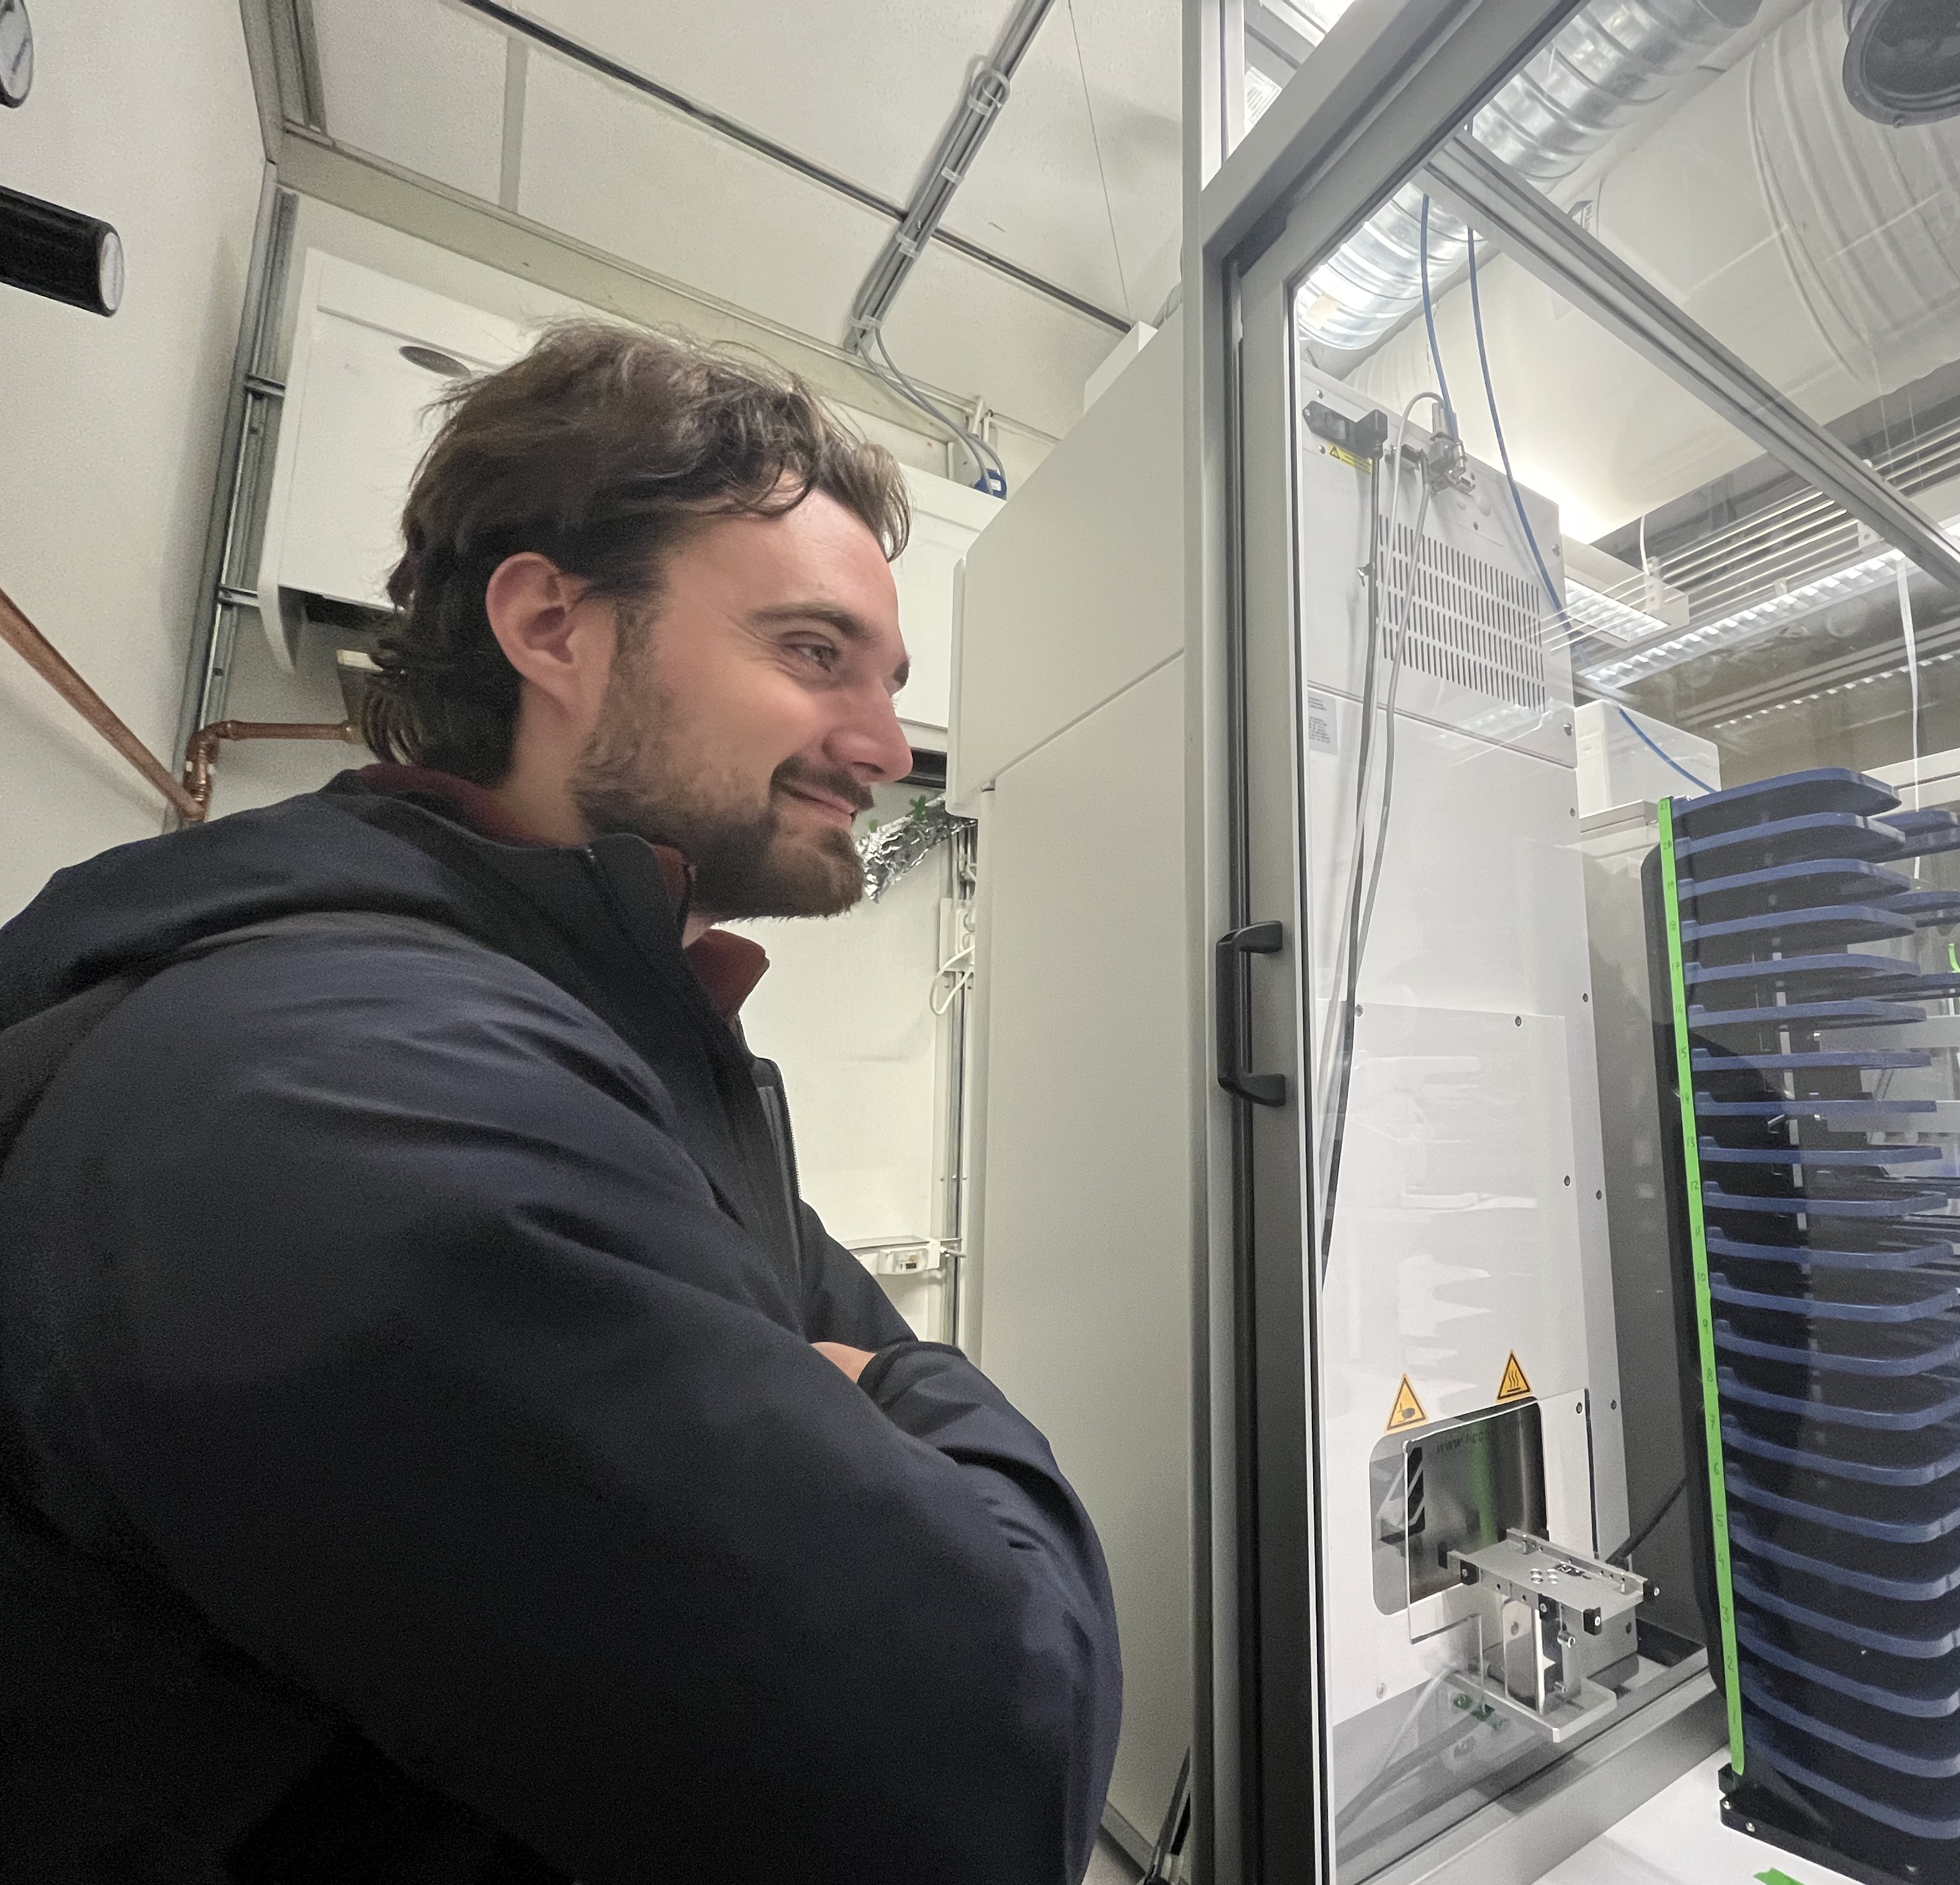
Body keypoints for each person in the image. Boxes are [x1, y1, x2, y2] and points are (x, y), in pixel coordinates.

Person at [0, 324, 1120, 1883]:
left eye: (890, 684)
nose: (883, 747)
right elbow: (994, 1767)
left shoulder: (615, 1028)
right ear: (551, 628)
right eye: (814, 654)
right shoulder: (358, 1090)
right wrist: (917, 1397)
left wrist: (871, 1390)